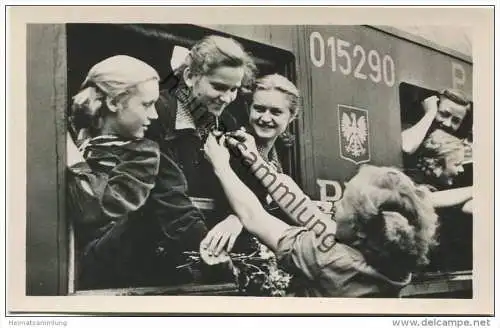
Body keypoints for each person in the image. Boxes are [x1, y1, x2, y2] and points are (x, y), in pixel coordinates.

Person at [202, 131, 439, 297]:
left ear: (357, 226)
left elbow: (253, 215)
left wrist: (220, 164)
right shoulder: (387, 258)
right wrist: (254, 159)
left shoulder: (327, 259)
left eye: (343, 203)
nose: (335, 205)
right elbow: (306, 210)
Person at [66, 55, 207, 289]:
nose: (153, 115)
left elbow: (95, 207)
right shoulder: (79, 139)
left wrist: (69, 155)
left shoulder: (144, 155)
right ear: (113, 103)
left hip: (110, 277)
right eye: (146, 104)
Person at [145, 35, 257, 235]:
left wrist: (235, 217)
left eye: (234, 89)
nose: (227, 98)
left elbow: (241, 186)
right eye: (219, 87)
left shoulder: (227, 123)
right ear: (189, 76)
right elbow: (167, 199)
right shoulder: (155, 115)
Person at [201, 74, 301, 256]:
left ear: (292, 117)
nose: (265, 118)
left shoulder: (283, 154)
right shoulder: (230, 147)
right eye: (259, 109)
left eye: (276, 112)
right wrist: (235, 216)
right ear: (249, 108)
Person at [401, 88, 471, 156]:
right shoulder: (410, 128)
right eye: (443, 114)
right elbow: (406, 147)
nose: (447, 124)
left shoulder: (454, 145)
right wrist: (431, 112)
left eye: (456, 121)